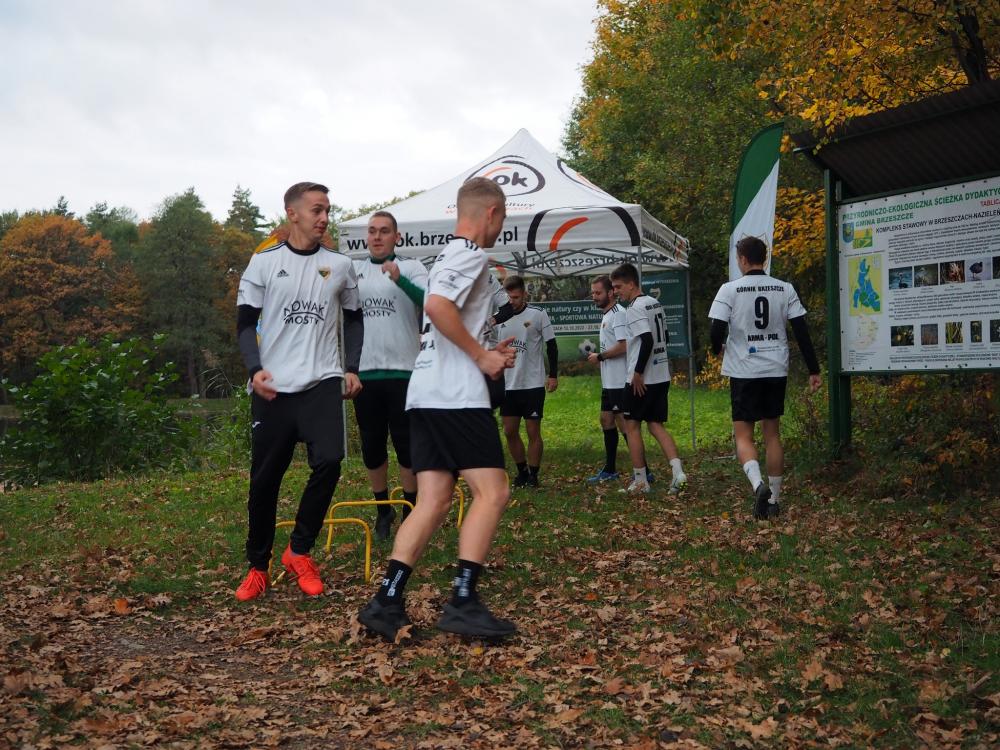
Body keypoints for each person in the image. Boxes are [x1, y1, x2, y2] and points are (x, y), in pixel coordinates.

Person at [358, 177, 518, 641]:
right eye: (502, 218)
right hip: (454, 395)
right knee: (493, 492)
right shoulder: (470, 254)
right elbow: (437, 305)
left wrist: (487, 348)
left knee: (433, 500)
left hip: (425, 390)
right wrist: (480, 356)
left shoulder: (447, 255)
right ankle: (463, 601)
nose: (500, 227)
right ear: (491, 213)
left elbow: (446, 316)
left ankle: (386, 600)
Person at [233, 182, 363, 601]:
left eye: (327, 210)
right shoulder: (264, 262)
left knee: (330, 460)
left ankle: (300, 550)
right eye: (316, 210)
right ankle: (258, 566)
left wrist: (351, 368)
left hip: (322, 380)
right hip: (273, 386)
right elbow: (244, 324)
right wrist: (255, 369)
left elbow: (355, 318)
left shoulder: (340, 265)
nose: (324, 218)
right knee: (265, 480)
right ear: (292, 213)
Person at [708, 236, 821, 520]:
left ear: (743, 259)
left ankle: (758, 485)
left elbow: (716, 328)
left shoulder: (729, 289)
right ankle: (774, 499)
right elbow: (801, 331)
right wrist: (814, 369)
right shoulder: (785, 288)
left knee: (744, 435)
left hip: (744, 371)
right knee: (772, 435)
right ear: (765, 258)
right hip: (775, 369)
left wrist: (716, 348)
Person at [352, 211, 427, 541]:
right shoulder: (354, 271)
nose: (377, 236)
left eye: (384, 231)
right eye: (372, 231)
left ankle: (410, 508)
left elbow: (431, 303)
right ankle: (383, 508)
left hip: (404, 370)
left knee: (406, 444)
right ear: (366, 237)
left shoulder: (412, 267)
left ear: (397, 237)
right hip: (365, 373)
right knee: (372, 446)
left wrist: (400, 280)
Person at [609, 263, 687, 494]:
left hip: (642, 379)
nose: (615, 292)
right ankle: (678, 472)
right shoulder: (655, 303)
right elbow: (666, 337)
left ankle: (641, 481)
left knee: (631, 426)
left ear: (631, 284)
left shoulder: (634, 308)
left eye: (618, 287)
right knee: (655, 425)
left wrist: (638, 372)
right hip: (661, 375)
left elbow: (647, 340)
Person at [495, 275, 558, 487]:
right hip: (508, 384)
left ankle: (533, 474)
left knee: (533, 431)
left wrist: (553, 375)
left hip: (532, 383)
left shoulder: (538, 314)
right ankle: (521, 470)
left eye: (516, 297)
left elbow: (551, 345)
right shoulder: (498, 319)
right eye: (509, 298)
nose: (512, 301)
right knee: (509, 431)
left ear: (524, 294)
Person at [585, 275, 629, 482]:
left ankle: (644, 471)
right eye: (593, 293)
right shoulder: (607, 314)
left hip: (620, 381)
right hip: (609, 381)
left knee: (624, 424)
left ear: (611, 292)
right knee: (606, 419)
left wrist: (600, 357)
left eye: (598, 292)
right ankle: (610, 470)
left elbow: (624, 345)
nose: (594, 296)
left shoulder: (619, 314)